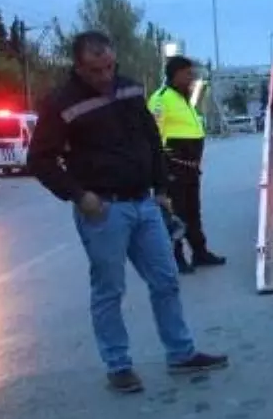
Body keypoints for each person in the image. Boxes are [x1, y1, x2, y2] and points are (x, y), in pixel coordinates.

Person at [28, 31, 228, 393]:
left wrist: (162, 188)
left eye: (109, 67)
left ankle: (181, 353)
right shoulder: (61, 104)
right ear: (78, 66)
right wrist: (78, 195)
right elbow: (39, 160)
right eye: (95, 70)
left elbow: (151, 139)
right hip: (103, 210)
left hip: (144, 203)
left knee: (166, 279)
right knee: (110, 290)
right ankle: (118, 366)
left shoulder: (131, 90)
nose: (104, 76)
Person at [147, 55, 225, 274]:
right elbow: (153, 135)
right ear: (175, 74)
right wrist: (160, 167)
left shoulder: (183, 98)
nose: (191, 77)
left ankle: (200, 252)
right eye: (187, 73)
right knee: (175, 215)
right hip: (172, 167)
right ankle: (176, 257)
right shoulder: (161, 99)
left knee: (192, 212)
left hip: (189, 167)